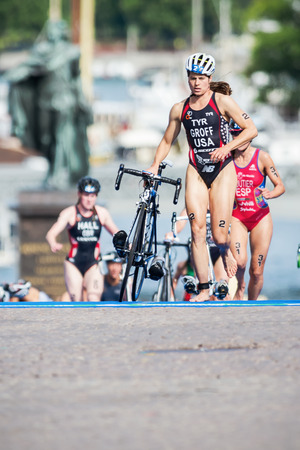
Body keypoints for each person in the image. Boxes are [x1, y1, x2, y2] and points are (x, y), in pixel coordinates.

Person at [146, 52, 258, 301]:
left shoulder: (222, 102)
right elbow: (167, 140)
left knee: (218, 236)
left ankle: (225, 249)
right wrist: (155, 164)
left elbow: (251, 130)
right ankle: (204, 288)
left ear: (209, 78)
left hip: (223, 171)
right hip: (196, 169)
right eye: (192, 78)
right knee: (196, 231)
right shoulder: (180, 109)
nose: (196, 83)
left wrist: (226, 148)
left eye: (201, 78)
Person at [229, 122, 285, 300]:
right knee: (239, 262)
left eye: (242, 133)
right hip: (237, 217)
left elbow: (280, 186)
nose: (239, 138)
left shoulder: (263, 158)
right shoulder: (228, 159)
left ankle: (252, 305)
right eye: (235, 134)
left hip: (260, 217)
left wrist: (270, 193)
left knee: (257, 270)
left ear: (251, 135)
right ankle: (240, 287)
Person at [46, 176, 119, 301]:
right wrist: (53, 243)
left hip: (93, 263)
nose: (89, 200)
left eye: (93, 196)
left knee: (94, 297)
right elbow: (51, 233)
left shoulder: (101, 213)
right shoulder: (69, 213)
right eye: (86, 195)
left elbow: (117, 234)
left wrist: (129, 245)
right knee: (76, 299)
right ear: (79, 194)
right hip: (74, 263)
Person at [165, 208, 231, 301]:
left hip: (218, 250)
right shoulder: (195, 204)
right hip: (202, 250)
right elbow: (181, 221)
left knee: (222, 287)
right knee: (206, 284)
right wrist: (173, 233)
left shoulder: (219, 200)